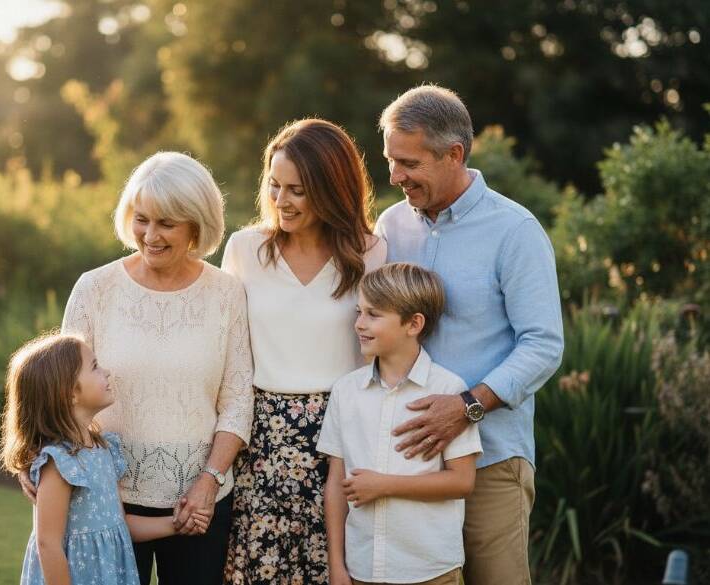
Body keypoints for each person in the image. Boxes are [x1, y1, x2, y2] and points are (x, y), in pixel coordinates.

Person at [19, 152, 255, 585]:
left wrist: (209, 481)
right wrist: (30, 460)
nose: (150, 235)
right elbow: (55, 384)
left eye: (167, 223)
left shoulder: (226, 294)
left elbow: (238, 399)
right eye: (142, 219)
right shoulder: (95, 288)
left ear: (196, 226)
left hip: (199, 503)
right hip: (106, 504)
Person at [375, 85, 564, 585]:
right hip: (408, 463)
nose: (395, 177)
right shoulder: (391, 225)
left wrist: (467, 405)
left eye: (409, 163)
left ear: (453, 154)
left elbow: (543, 345)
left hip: (491, 462)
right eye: (391, 161)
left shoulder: (515, 231)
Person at [221, 118, 387, 584]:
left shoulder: (370, 253)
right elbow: (228, 354)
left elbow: (380, 352)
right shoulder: (245, 249)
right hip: (263, 438)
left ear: (332, 189)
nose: (280, 201)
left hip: (344, 435)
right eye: (274, 185)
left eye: (296, 190)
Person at [0, 333, 212, 585]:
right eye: (95, 367)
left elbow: (119, 525)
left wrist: (176, 523)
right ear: (69, 394)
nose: (107, 372)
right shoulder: (60, 463)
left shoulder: (103, 449)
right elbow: (47, 544)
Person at [318, 263, 482, 585]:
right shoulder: (346, 391)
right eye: (359, 312)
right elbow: (336, 484)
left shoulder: (448, 391)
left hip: (431, 571)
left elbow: (462, 482)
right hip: (361, 569)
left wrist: (384, 485)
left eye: (373, 315)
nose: (359, 325)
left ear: (413, 323)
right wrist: (337, 565)